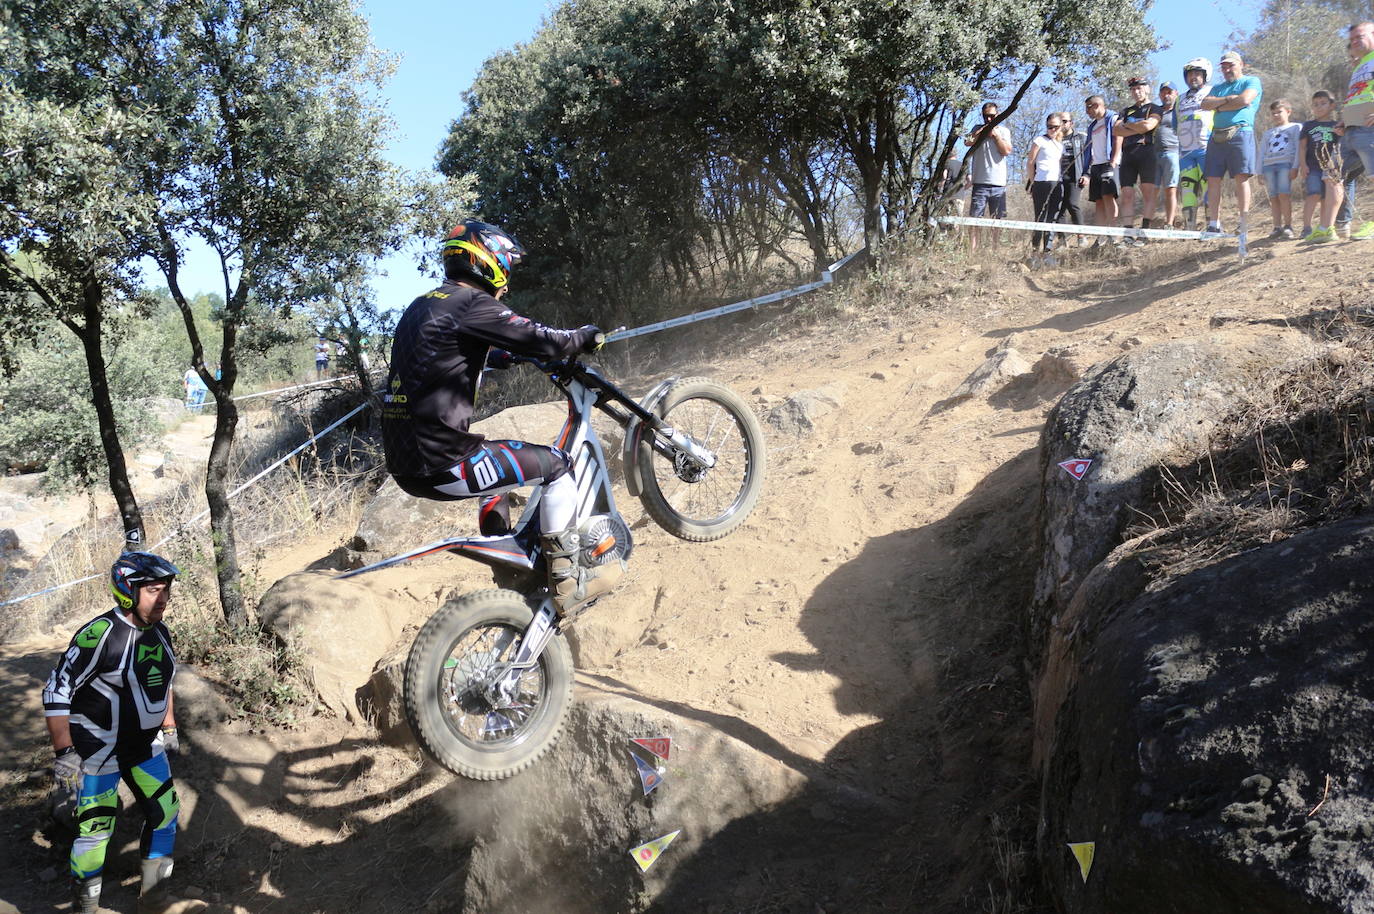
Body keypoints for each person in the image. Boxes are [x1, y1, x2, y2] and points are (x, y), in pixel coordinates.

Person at [381, 220, 621, 614]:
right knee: (559, 466)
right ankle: (568, 584)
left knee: (493, 472)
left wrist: (506, 355)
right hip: (445, 464)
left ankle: (511, 572)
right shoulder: (473, 303)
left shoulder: (424, 304)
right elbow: (545, 338)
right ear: (487, 261)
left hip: (407, 467)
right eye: (506, 268)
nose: (506, 282)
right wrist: (584, 336)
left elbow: (452, 349)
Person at [43, 552, 186, 914]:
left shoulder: (161, 631)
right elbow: (56, 690)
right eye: (154, 590)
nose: (164, 598)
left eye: (166, 589)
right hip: (97, 752)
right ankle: (85, 908)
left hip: (144, 748)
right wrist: (65, 751)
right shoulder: (99, 635)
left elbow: (164, 681)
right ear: (127, 592)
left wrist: (168, 724)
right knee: (95, 831)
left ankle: (154, 901)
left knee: (166, 815)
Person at [1200, 51, 1263, 237]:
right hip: (1217, 136)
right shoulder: (1218, 88)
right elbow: (1204, 104)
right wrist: (1228, 100)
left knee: (1241, 177)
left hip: (1241, 132)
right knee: (1213, 178)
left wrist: (1218, 106)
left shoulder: (1251, 81)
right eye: (1224, 66)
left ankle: (1243, 221)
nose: (1227, 69)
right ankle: (1214, 223)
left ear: (1241, 64)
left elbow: (1245, 100)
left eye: (1231, 65)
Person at [1114, 76, 1164, 243]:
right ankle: (1128, 233)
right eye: (1133, 89)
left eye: (1139, 88)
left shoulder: (1155, 107)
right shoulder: (1126, 111)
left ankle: (1145, 231)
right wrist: (1137, 127)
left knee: (1148, 193)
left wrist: (1128, 126)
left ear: (1147, 89)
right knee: (1127, 194)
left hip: (1147, 152)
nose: (1136, 91)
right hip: (1128, 154)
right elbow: (1116, 130)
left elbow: (1149, 126)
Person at [1337, 21, 1374, 239]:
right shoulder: (1360, 65)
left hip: (1369, 128)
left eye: (1359, 36)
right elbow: (1358, 95)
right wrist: (1344, 120)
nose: (1354, 42)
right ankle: (1343, 225)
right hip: (1351, 129)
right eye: (1352, 39)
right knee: (1342, 177)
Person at [964, 102, 1013, 251]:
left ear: (998, 114)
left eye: (992, 116)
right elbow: (968, 142)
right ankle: (973, 250)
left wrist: (996, 136)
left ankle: (995, 249)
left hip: (998, 183)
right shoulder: (977, 129)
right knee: (975, 219)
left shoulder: (1004, 131)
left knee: (996, 220)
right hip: (980, 182)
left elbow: (1006, 151)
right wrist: (983, 131)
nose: (990, 119)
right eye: (986, 117)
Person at [1297, 91, 1344, 243]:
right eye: (1315, 104)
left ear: (1332, 106)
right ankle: (1306, 227)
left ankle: (1324, 226)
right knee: (1313, 194)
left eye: (1323, 103)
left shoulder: (1335, 125)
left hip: (1329, 168)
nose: (1319, 107)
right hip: (1313, 167)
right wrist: (1302, 165)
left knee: (1326, 198)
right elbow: (1302, 146)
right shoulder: (1308, 125)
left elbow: (1339, 146)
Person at [1177, 58, 1216, 228]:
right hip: (1185, 152)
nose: (1193, 77)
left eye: (1197, 74)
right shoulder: (1180, 99)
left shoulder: (1213, 92)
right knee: (1188, 192)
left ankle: (1212, 225)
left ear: (1205, 75)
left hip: (1206, 149)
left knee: (1209, 188)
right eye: (1190, 74)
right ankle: (1190, 228)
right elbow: (1174, 124)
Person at [1079, 95, 1123, 243]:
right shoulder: (1092, 126)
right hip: (1096, 166)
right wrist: (1086, 170)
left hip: (1109, 163)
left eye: (1088, 107)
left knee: (1108, 196)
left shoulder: (1112, 118)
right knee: (1098, 200)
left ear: (1097, 105)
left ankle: (1113, 234)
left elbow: (1118, 138)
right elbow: (1089, 149)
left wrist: (1114, 160)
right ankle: (1101, 236)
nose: (1087, 111)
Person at [1259, 99, 1302, 238]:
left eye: (1279, 112)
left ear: (1288, 112)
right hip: (1269, 166)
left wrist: (1295, 166)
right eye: (1273, 113)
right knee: (1273, 197)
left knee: (1284, 194)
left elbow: (1298, 148)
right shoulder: (1268, 133)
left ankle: (1288, 226)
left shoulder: (1296, 127)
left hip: (1285, 164)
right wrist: (1259, 171)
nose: (1276, 115)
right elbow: (1261, 152)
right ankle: (1277, 227)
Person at [1026, 113, 1065, 259]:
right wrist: (1033, 181)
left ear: (1060, 127)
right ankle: (1035, 250)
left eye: (1055, 127)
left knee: (1052, 216)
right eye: (1049, 126)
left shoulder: (1060, 145)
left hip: (1057, 182)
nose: (1052, 129)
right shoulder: (1039, 140)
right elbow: (1030, 161)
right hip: (1041, 182)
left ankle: (1047, 250)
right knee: (1040, 216)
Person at [1148, 82, 1182, 229]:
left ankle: (1169, 223)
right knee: (1152, 190)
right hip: (1154, 154)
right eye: (1163, 92)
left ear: (1175, 93)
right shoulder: (1154, 111)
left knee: (1170, 189)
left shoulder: (1179, 111)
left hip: (1173, 152)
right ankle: (1146, 223)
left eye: (1169, 92)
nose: (1166, 95)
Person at [1057, 110, 1087, 232]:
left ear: (1071, 123)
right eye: (1059, 122)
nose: (1061, 124)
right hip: (1058, 178)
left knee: (1072, 203)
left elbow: (1089, 157)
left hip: (1075, 176)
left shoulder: (1081, 137)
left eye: (1064, 121)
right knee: (1058, 208)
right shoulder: (1054, 139)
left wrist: (1086, 174)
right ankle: (1062, 240)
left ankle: (1081, 235)